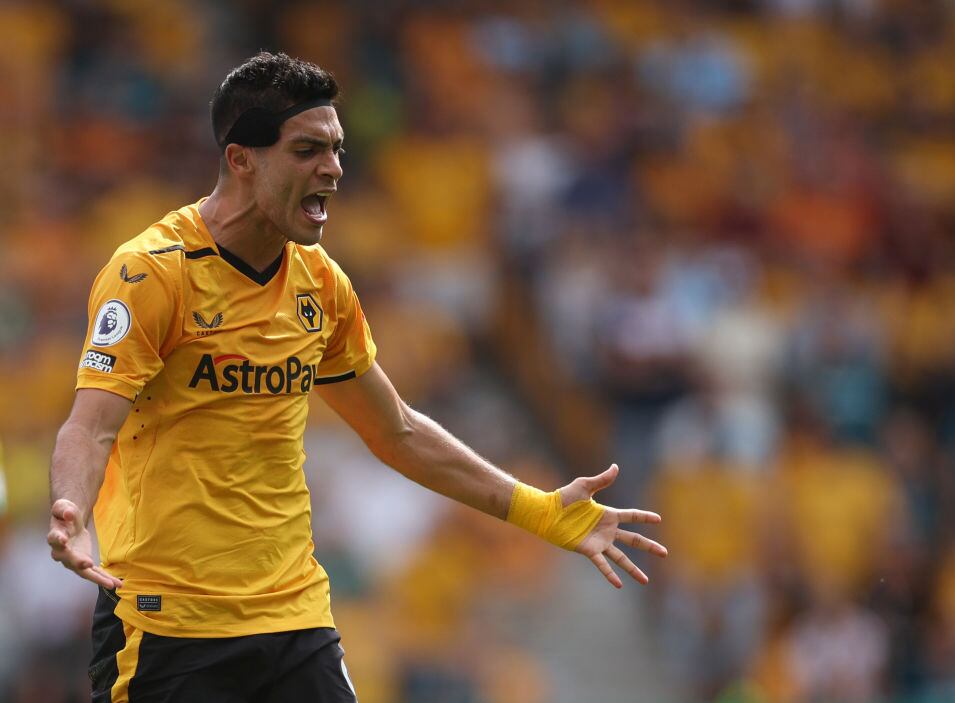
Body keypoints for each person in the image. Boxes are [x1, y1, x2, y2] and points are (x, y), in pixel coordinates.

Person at [46, 51, 668, 702]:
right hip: (166, 627)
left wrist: (538, 509)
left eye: (336, 150)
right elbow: (90, 427)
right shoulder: (152, 273)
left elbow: (396, 430)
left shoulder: (320, 284)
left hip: (294, 620)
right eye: (307, 150)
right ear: (241, 159)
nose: (333, 168)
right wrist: (73, 509)